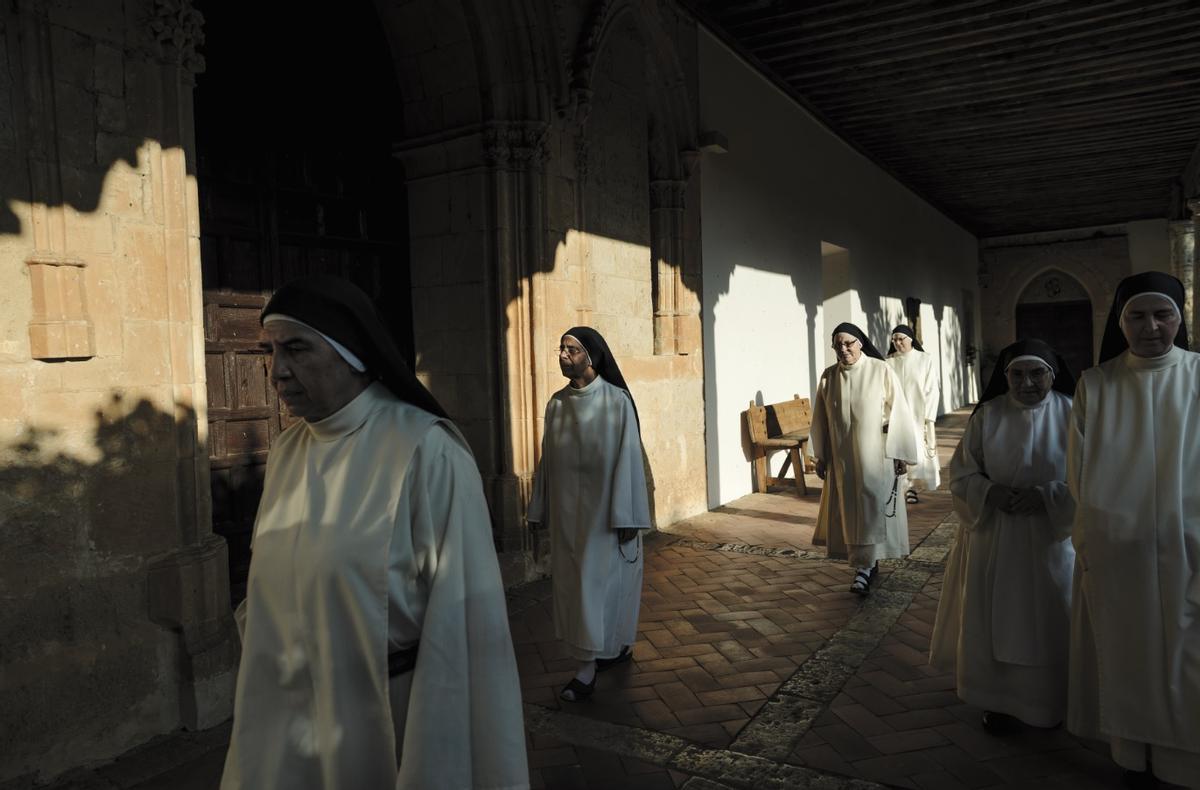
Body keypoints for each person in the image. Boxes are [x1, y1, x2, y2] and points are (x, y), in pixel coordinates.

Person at [221, 276, 529, 790]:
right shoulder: (287, 451)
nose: (278, 372)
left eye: (296, 348)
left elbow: (464, 627)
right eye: (270, 351)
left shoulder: (427, 452)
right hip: (287, 716)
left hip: (388, 719)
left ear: (353, 353)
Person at [1066, 272, 1200, 789]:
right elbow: (1079, 475)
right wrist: (1099, 536)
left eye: (1162, 314)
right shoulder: (1096, 385)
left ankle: (1185, 768)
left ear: (1180, 318)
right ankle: (1133, 761)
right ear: (1119, 322)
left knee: (1187, 660)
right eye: (1136, 316)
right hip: (1120, 555)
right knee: (1129, 656)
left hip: (1192, 551)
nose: (1151, 327)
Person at [930, 339, 1077, 735]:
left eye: (1036, 374)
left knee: (1053, 616)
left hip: (1052, 538)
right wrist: (991, 492)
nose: (1026, 383)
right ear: (1005, 377)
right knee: (992, 616)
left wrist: (1047, 497)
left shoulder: (1074, 412)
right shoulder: (988, 415)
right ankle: (997, 701)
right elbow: (962, 473)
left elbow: (1092, 476)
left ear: (1053, 374)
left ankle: (1052, 701)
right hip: (996, 535)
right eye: (1017, 374)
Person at [526, 327, 652, 702]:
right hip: (568, 517)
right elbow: (547, 461)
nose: (563, 355)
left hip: (605, 515)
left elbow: (630, 459)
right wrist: (539, 509)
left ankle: (588, 668)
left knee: (601, 589)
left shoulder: (617, 402)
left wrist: (628, 515)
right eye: (561, 348)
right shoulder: (556, 404)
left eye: (572, 349)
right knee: (576, 590)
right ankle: (597, 657)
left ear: (591, 356)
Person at [811, 322, 920, 595]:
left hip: (875, 454)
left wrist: (900, 453)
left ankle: (865, 568)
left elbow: (899, 412)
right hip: (842, 458)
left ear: (861, 342)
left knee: (870, 506)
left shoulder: (880, 369)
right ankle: (865, 563)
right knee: (850, 509)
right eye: (838, 344)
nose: (844, 348)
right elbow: (821, 420)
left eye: (849, 343)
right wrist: (821, 456)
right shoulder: (828, 376)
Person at [886, 324, 941, 503]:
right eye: (894, 339)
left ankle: (911, 488)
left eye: (901, 339)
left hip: (917, 414)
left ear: (911, 340)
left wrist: (928, 416)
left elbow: (932, 389)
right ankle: (901, 487)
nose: (897, 343)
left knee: (916, 451)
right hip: (895, 413)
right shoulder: (888, 362)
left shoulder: (924, 359)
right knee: (897, 450)